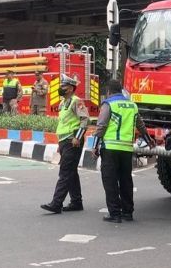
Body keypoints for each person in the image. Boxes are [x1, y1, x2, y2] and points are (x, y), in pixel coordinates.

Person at [92, 79, 151, 223]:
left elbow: (101, 126)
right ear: (121, 90)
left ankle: (115, 214)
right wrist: (150, 141)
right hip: (126, 149)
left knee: (110, 181)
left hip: (111, 149)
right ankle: (127, 212)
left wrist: (95, 146)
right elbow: (141, 125)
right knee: (126, 181)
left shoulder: (108, 104)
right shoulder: (132, 105)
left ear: (108, 91)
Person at [41, 75, 89, 214]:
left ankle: (56, 203)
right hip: (64, 141)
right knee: (71, 172)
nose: (61, 88)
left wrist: (78, 137)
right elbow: (63, 124)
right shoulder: (63, 103)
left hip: (72, 141)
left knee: (65, 172)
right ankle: (76, 202)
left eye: (64, 86)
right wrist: (59, 143)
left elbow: (85, 120)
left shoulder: (76, 101)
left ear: (71, 88)